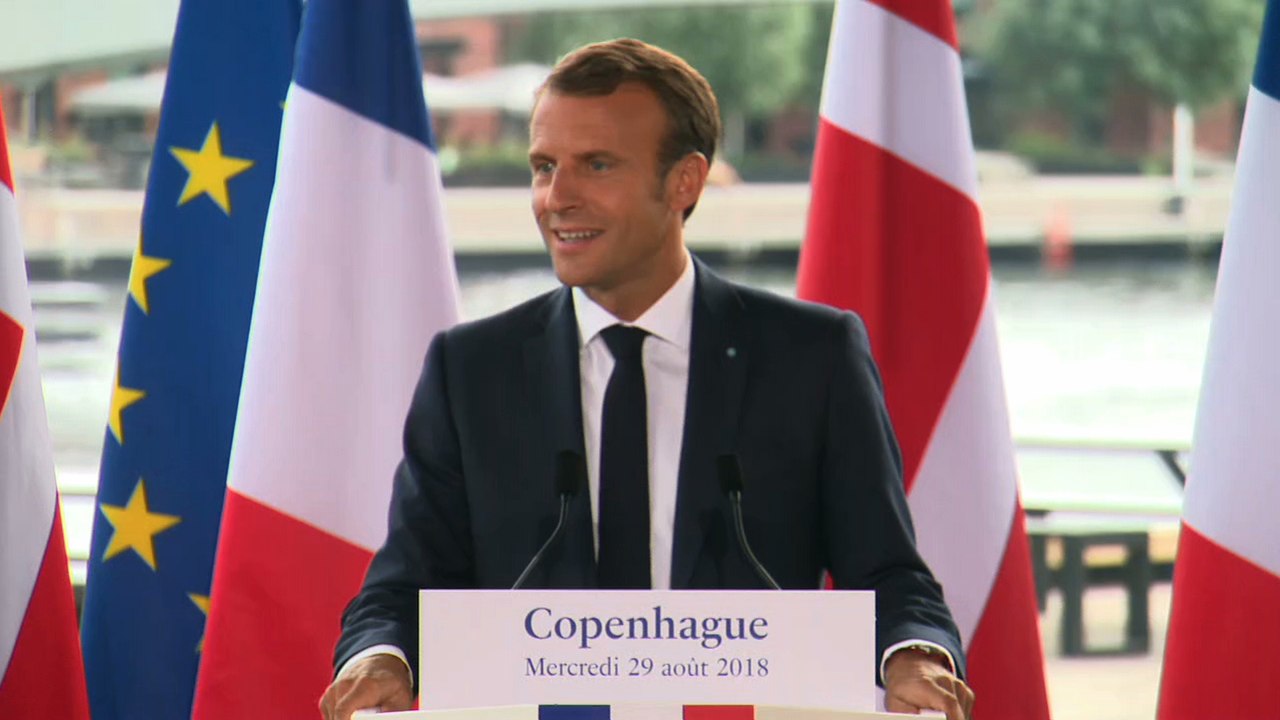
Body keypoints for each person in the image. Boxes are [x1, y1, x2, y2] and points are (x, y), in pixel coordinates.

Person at [319, 38, 974, 720]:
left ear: (684, 181)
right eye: (544, 167)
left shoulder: (813, 356)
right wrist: (381, 659)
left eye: (595, 165)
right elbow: (402, 589)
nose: (556, 198)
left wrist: (914, 656)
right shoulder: (469, 369)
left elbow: (890, 575)